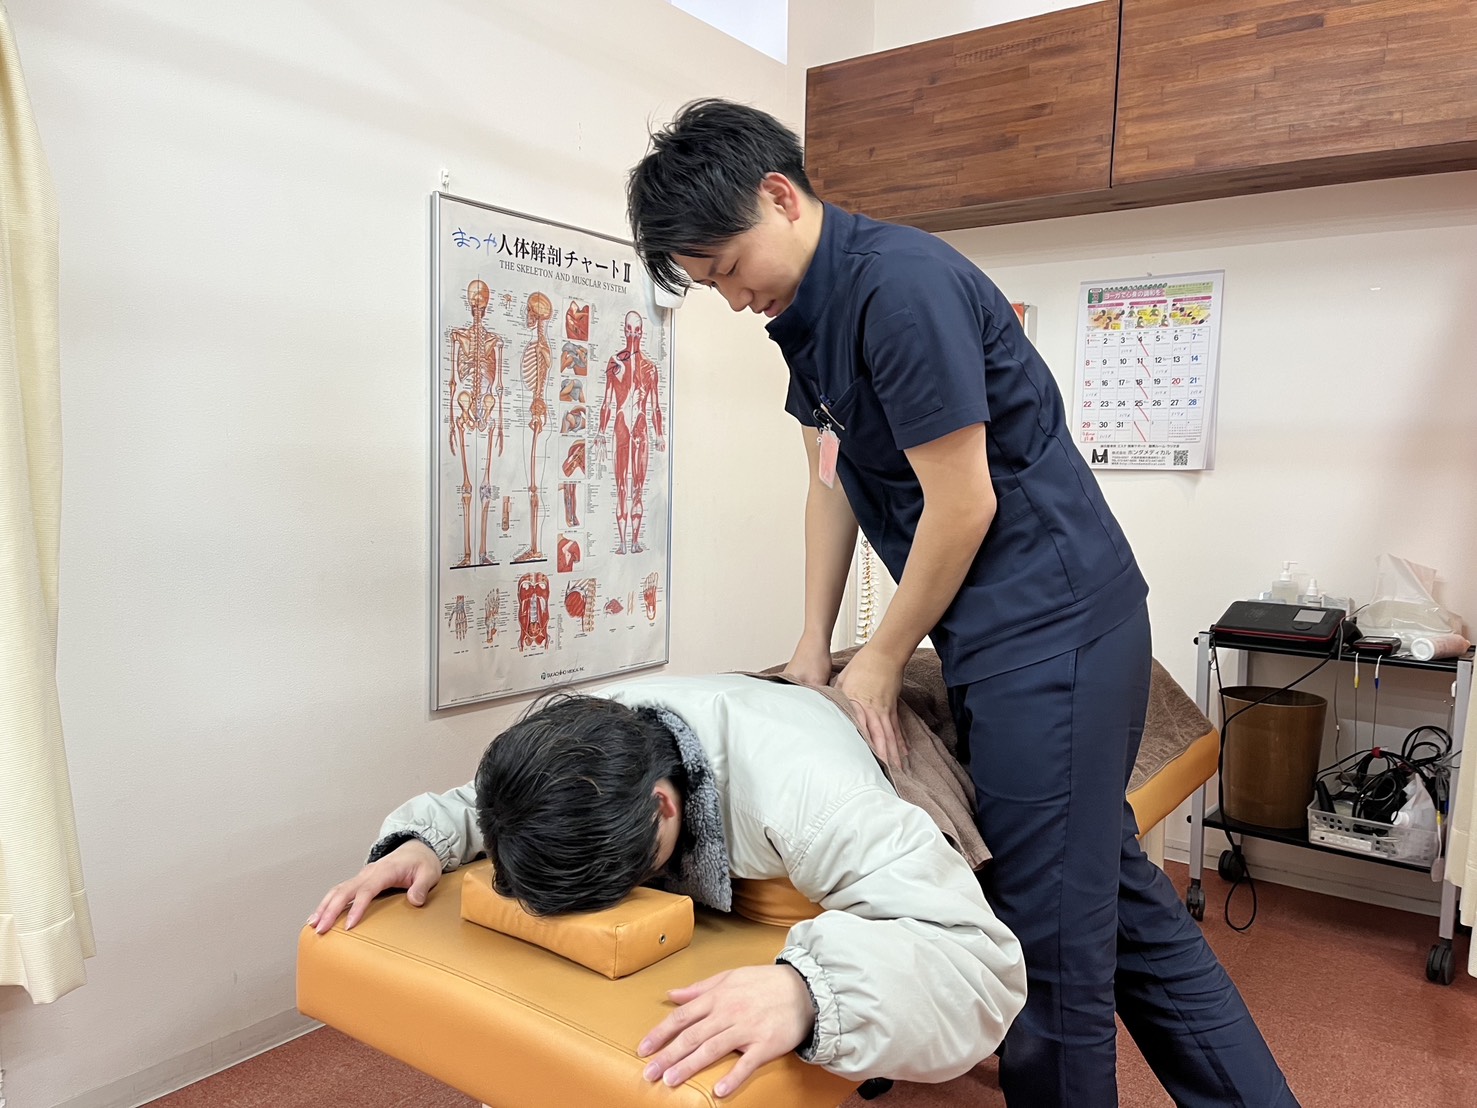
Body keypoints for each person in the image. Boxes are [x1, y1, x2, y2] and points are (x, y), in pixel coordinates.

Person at [625, 99, 1298, 1107]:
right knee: (1117, 907)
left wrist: (882, 658)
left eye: (725, 268)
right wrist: (814, 643)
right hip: (997, 632)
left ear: (778, 195)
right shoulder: (801, 314)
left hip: (1056, 627)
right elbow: (830, 479)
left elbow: (962, 502)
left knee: (1050, 952)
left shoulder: (899, 287)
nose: (729, 298)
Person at [309, 673, 1026, 1097]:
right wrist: (415, 841)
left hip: (868, 723)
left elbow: (978, 962)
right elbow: (484, 801)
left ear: (662, 803)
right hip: (753, 695)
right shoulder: (590, 735)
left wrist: (810, 992)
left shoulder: (812, 802)